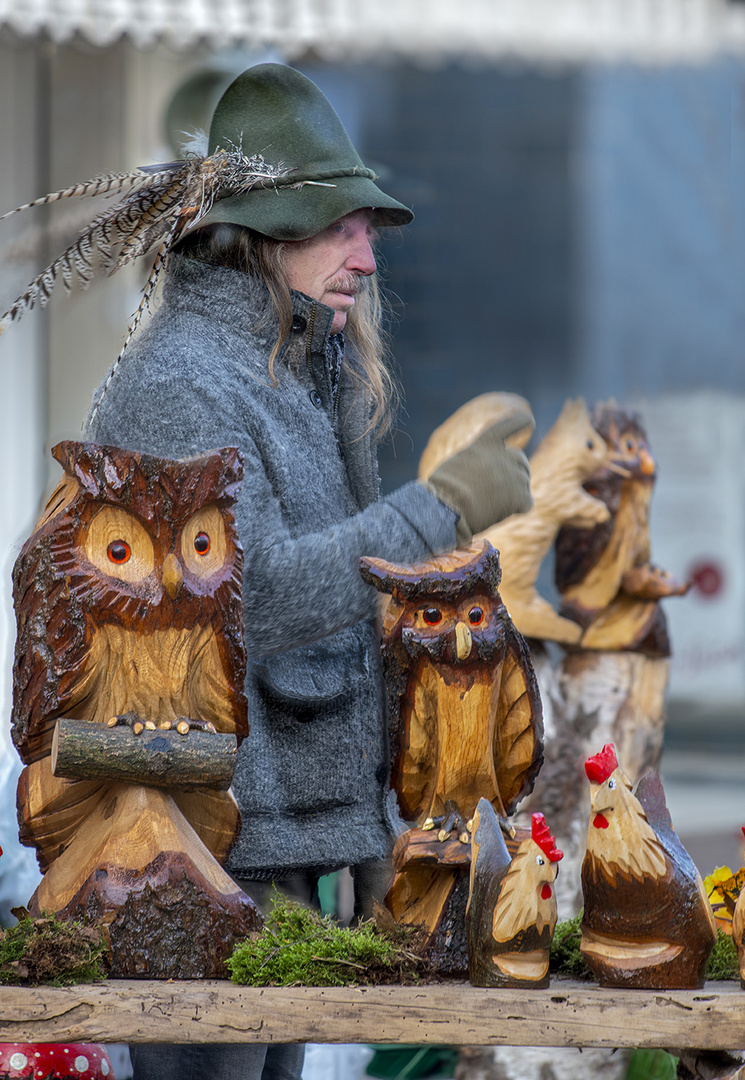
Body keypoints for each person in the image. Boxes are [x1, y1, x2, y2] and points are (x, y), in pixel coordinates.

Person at [82, 63, 533, 1080]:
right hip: (196, 863)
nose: (366, 256)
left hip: (276, 851)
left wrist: (376, 843)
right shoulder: (178, 384)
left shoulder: (291, 366)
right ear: (265, 235)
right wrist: (443, 506)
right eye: (341, 226)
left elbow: (346, 627)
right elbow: (252, 599)